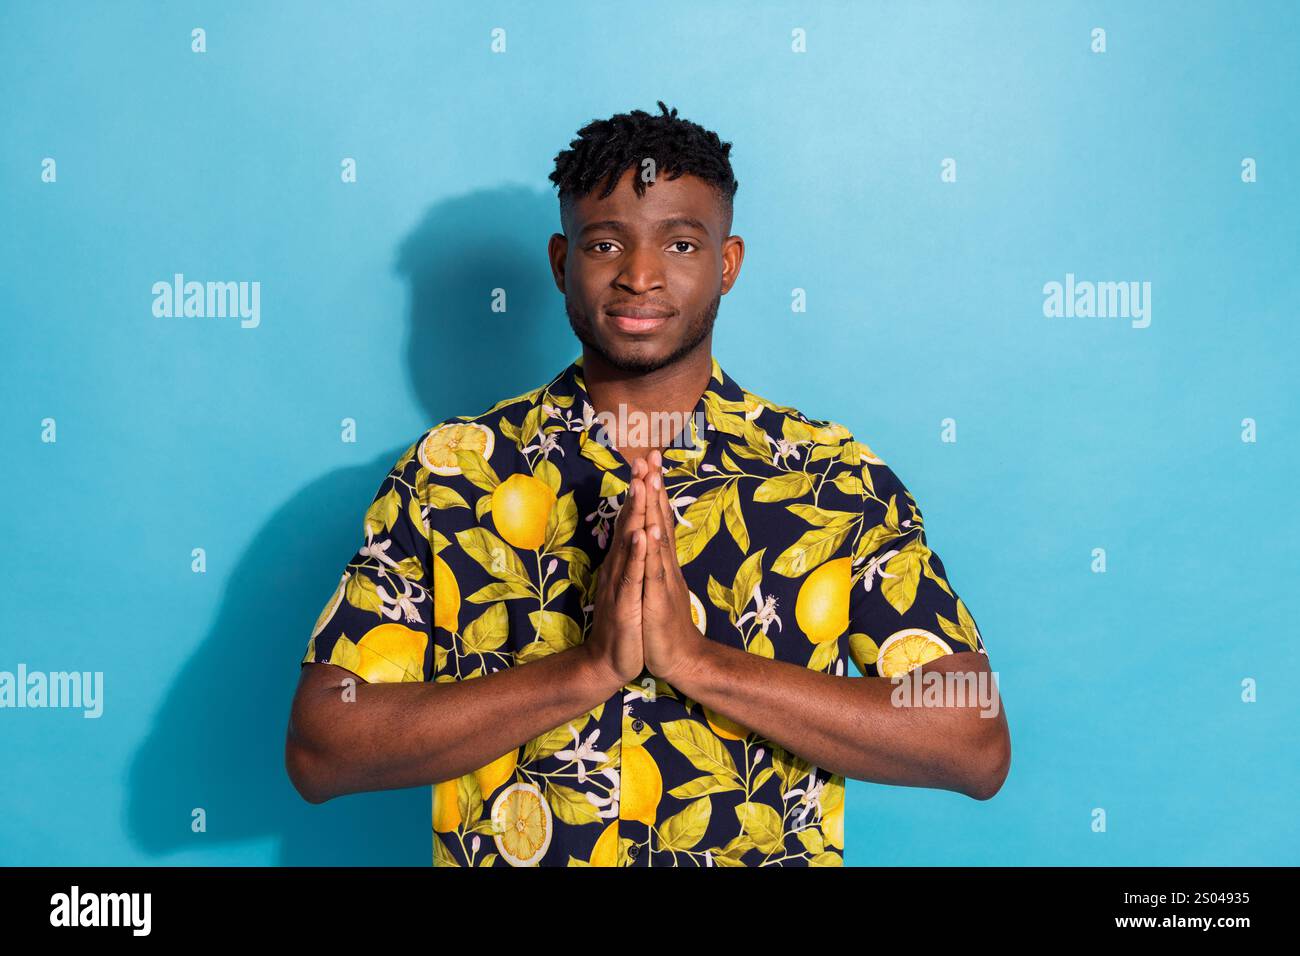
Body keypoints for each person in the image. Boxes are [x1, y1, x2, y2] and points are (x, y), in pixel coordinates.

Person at [286, 101, 1010, 867]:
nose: (639, 275)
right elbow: (323, 746)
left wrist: (701, 665)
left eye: (681, 243)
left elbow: (971, 738)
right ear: (563, 263)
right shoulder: (449, 473)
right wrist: (585, 670)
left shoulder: (834, 479)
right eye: (606, 244)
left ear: (726, 264)